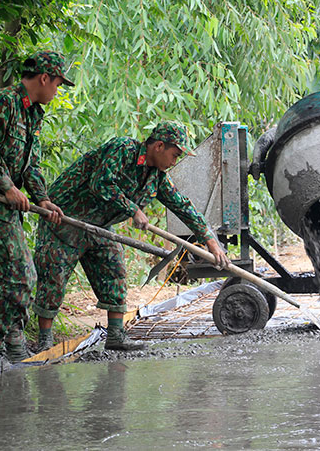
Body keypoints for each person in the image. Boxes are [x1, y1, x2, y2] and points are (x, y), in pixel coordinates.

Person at [32, 122, 230, 352]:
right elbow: (101, 183)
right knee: (53, 278)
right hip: (65, 218)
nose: (174, 162)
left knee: (114, 271)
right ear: (158, 146)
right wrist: (133, 210)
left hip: (100, 227)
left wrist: (211, 242)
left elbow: (182, 206)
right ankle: (44, 340)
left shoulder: (156, 177)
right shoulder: (122, 150)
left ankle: (115, 335)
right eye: (174, 155)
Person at [0, 51, 69, 371]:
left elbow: (30, 164)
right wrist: (8, 187)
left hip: (8, 209)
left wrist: (42, 198)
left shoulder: (33, 114)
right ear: (44, 78)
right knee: (21, 277)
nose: (57, 91)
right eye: (59, 84)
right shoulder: (2, 103)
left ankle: (14, 342)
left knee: (15, 278)